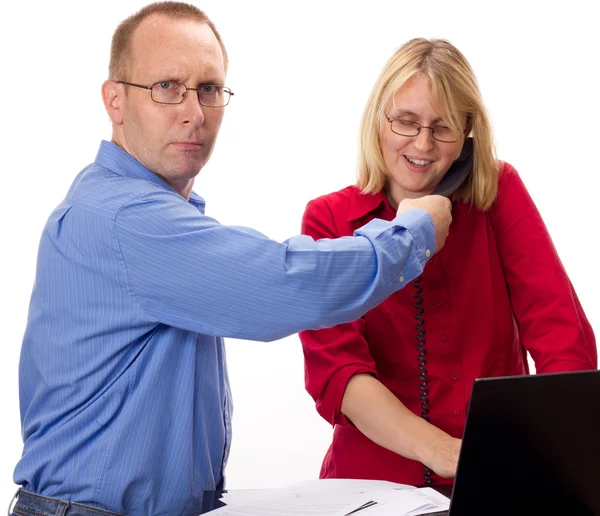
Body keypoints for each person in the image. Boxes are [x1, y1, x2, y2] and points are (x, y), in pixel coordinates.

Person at [9, 6, 454, 516]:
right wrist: (412, 233)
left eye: (209, 89)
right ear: (114, 100)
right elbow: (283, 284)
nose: (194, 112)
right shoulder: (123, 218)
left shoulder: (144, 214)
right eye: (167, 87)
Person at [299, 38, 597, 487]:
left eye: (443, 127)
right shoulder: (328, 219)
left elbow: (557, 328)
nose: (422, 144)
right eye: (406, 122)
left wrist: (565, 446)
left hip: (501, 474)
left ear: (467, 133)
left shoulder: (497, 192)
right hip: (374, 487)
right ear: (378, 120)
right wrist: (447, 452)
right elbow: (340, 372)